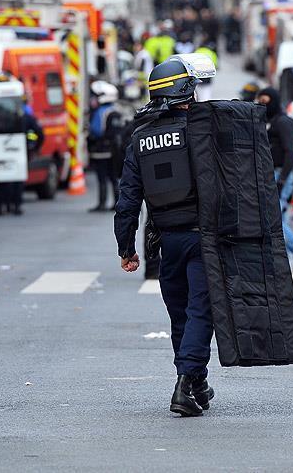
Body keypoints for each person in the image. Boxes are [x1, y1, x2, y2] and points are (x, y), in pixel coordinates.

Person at [115, 54, 217, 417]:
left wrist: (126, 247)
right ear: (186, 91)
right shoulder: (200, 131)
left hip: (167, 242)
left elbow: (128, 199)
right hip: (203, 238)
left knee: (180, 315)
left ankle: (196, 382)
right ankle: (185, 384)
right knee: (200, 312)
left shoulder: (140, 138)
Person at [257, 87, 293, 258]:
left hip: (280, 174)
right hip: (270, 175)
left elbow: (291, 153)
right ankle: (287, 259)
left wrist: (281, 180)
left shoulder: (283, 122)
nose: (262, 105)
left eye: (265, 101)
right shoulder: (268, 121)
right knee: (279, 218)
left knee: (275, 220)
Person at [88, 81, 123, 212]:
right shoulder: (115, 111)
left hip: (100, 151)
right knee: (113, 178)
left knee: (102, 178)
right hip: (114, 151)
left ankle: (102, 204)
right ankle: (116, 203)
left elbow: (96, 131)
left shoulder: (100, 112)